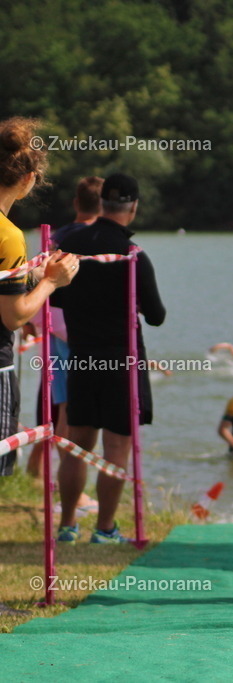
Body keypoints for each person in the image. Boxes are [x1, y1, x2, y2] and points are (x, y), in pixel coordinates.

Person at [52, 173, 166, 544]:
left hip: (81, 358)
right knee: (116, 449)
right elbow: (157, 314)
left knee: (75, 445)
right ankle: (104, 529)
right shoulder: (132, 254)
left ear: (101, 204)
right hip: (122, 362)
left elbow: (54, 298)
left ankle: (68, 525)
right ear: (133, 207)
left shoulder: (70, 245)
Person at [0, 117, 79, 480]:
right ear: (29, 180)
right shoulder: (9, 236)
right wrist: (51, 282)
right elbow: (14, 316)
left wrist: (29, 274)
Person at [27, 176, 103, 482]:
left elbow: (37, 277)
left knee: (59, 407)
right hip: (80, 333)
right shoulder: (97, 239)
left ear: (76, 202)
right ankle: (66, 483)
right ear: (104, 205)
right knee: (74, 412)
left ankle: (44, 476)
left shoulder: (57, 237)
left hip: (52, 326)